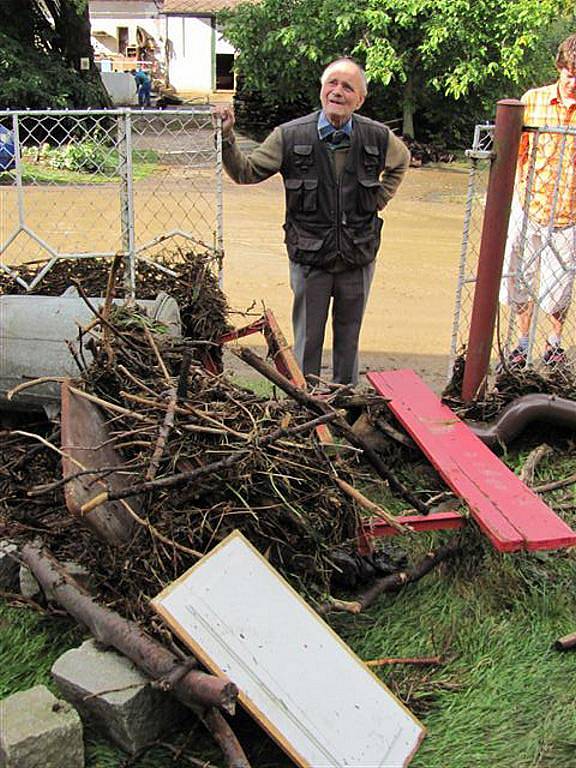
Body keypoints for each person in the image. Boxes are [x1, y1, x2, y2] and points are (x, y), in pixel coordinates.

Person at [213, 58, 410, 385]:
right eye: (332, 83)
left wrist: (379, 198)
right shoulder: (289, 136)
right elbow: (245, 172)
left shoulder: (377, 137)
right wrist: (227, 138)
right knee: (307, 341)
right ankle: (308, 409)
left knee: (349, 339)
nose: (338, 91)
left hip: (358, 256)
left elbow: (401, 163)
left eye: (348, 87)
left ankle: (346, 405)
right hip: (310, 259)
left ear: (359, 100)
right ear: (321, 91)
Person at [499, 34, 576, 369]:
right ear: (560, 68)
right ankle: (522, 341)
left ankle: (554, 343)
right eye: (571, 73)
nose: (574, 82)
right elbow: (517, 153)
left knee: (559, 287)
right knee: (519, 277)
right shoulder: (534, 100)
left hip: (570, 211)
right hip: (530, 203)